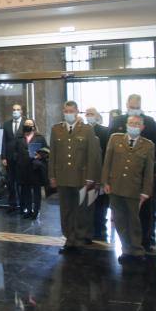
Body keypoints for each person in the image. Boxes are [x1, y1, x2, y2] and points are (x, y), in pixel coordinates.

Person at [108, 94, 156, 252]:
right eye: (132, 107)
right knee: (122, 213)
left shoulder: (149, 122)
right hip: (120, 177)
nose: (134, 110)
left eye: (137, 107)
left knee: (145, 211)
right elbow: (108, 150)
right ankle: (126, 244)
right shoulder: (118, 122)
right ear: (127, 105)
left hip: (143, 176)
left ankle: (145, 240)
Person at [49, 101, 101, 254]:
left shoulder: (87, 129)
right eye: (66, 111)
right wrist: (52, 175)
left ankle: (79, 239)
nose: (68, 114)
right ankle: (69, 239)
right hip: (63, 176)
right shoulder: (56, 129)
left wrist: (91, 177)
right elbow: (53, 154)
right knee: (66, 210)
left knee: (81, 210)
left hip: (81, 177)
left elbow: (92, 155)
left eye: (71, 111)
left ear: (77, 111)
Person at [102, 115, 155, 264]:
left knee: (134, 221)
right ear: (126, 124)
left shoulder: (148, 145)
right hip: (116, 187)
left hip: (134, 189)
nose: (133, 126)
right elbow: (107, 162)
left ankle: (137, 250)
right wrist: (105, 182)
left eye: (137, 124)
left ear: (142, 127)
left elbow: (149, 171)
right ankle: (126, 250)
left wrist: (145, 191)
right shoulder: (115, 139)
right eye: (131, 123)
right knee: (120, 221)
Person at [85, 108, 110, 239]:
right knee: (87, 201)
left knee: (100, 203)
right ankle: (88, 227)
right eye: (87, 114)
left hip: (100, 171)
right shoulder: (83, 130)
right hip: (85, 173)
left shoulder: (104, 131)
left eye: (92, 114)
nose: (89, 116)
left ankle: (99, 227)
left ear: (97, 116)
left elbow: (107, 152)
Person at [15, 119, 47, 219]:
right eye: (26, 124)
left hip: (35, 168)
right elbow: (15, 151)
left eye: (30, 124)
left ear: (34, 126)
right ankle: (28, 210)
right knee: (26, 190)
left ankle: (36, 211)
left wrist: (40, 155)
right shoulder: (19, 137)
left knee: (36, 191)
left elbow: (46, 150)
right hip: (23, 168)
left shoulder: (40, 137)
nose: (28, 125)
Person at [1, 104, 24, 213]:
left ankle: (23, 204)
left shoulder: (26, 123)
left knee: (21, 182)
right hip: (9, 158)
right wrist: (3, 157)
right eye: (14, 109)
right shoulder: (6, 124)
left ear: (21, 111)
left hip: (22, 158)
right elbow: (3, 141)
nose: (15, 111)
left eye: (18, 109)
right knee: (10, 182)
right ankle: (12, 204)